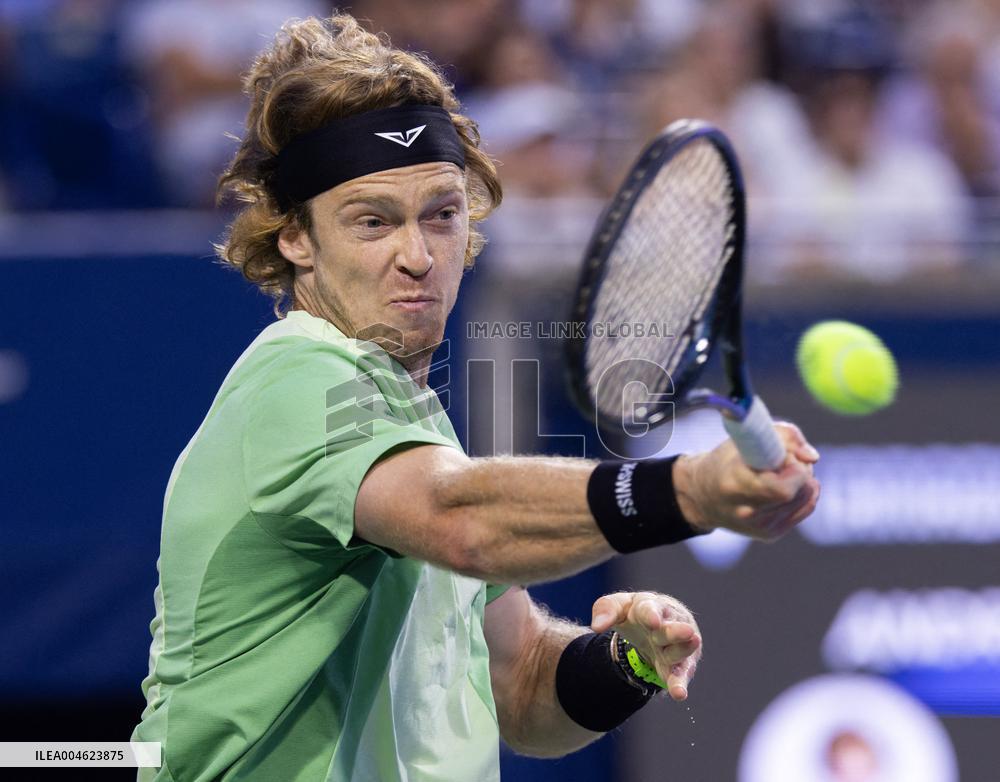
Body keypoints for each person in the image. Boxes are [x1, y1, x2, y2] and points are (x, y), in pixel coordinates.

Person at [131, 14, 820, 781]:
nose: (418, 255)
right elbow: (460, 520)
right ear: (296, 237)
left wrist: (628, 659)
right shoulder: (298, 376)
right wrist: (688, 489)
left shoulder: (414, 426)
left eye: (442, 215)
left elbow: (522, 685)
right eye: (372, 222)